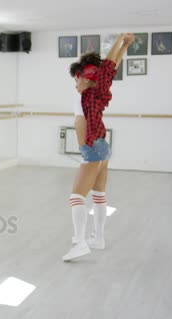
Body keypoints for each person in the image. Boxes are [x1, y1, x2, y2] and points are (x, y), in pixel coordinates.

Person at [62, 33, 135, 262]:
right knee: (99, 195)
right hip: (101, 148)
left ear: (85, 78)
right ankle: (98, 238)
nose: (75, 84)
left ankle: (81, 242)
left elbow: (108, 66)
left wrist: (121, 41)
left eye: (77, 79)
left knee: (76, 197)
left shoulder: (88, 95)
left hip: (93, 150)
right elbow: (111, 67)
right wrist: (123, 46)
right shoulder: (94, 95)